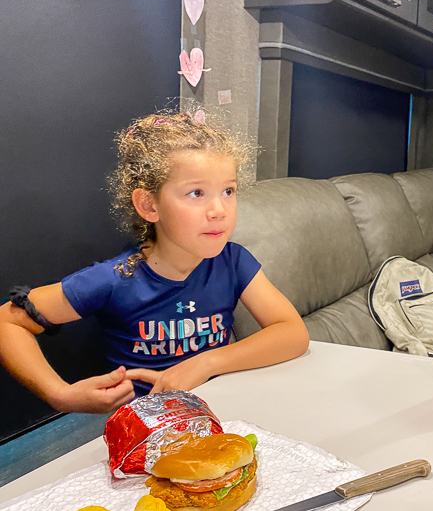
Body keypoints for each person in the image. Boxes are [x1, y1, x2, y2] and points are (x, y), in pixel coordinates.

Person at [0, 111, 310, 414]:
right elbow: (7, 321)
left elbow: (292, 332)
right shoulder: (115, 279)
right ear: (149, 205)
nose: (219, 210)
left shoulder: (233, 261)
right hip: (149, 429)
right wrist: (59, 395)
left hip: (221, 412)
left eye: (228, 191)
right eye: (196, 193)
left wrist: (205, 363)